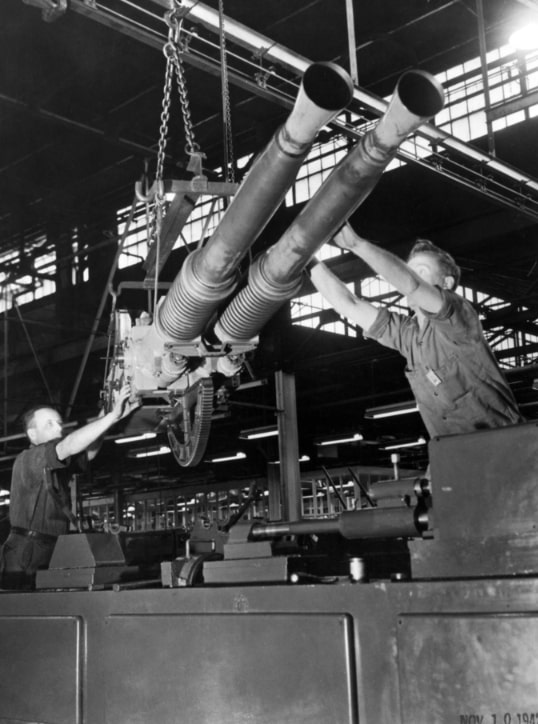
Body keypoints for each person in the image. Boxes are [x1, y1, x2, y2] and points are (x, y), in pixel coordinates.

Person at [308, 224, 524, 439]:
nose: (408, 275)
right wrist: (307, 260)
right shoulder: (408, 336)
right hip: (454, 458)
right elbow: (350, 304)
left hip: (507, 450)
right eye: (407, 269)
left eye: (420, 271)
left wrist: (356, 244)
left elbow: (411, 285)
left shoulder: (459, 317)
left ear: (446, 283)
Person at [0, 383, 138, 590]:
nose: (59, 428)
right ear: (32, 435)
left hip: (53, 547)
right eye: (49, 424)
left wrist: (107, 414)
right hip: (27, 553)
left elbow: (88, 452)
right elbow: (68, 445)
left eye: (59, 423)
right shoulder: (29, 459)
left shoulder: (55, 463)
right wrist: (111, 418)